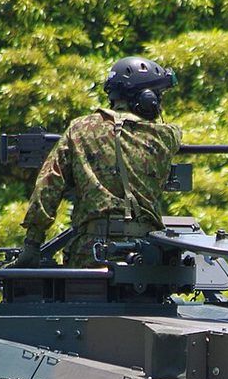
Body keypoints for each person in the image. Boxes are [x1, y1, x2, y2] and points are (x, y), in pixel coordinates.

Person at [12, 56, 183, 267]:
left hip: (90, 253)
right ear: (147, 100)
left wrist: (32, 242)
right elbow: (175, 131)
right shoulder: (165, 135)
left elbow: (48, 185)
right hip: (144, 257)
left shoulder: (79, 129)